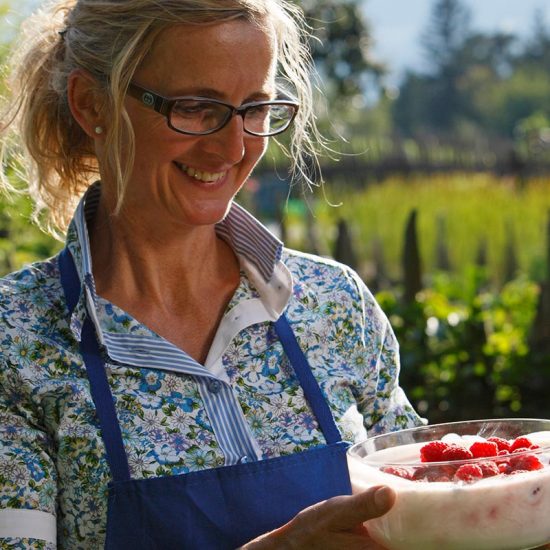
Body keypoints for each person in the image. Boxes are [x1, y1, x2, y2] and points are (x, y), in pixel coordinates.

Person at [0, 0, 423, 547]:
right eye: (197, 107)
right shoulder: (16, 341)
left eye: (255, 108)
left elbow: (423, 500)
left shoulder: (333, 304)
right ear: (91, 103)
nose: (233, 147)